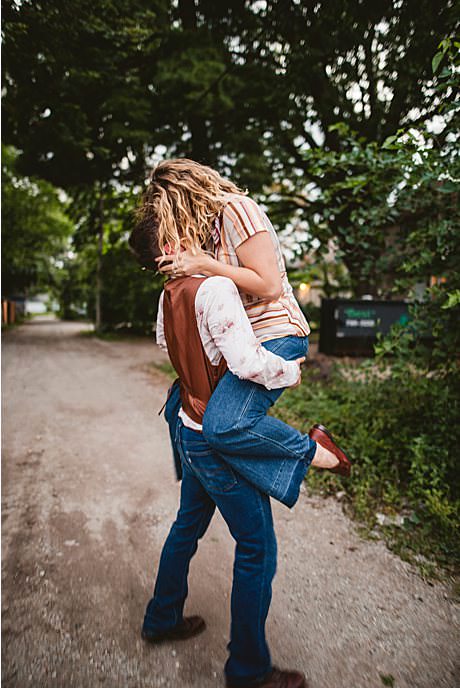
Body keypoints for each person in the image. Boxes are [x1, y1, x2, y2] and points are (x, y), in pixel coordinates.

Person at [129, 215, 350, 688]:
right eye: (179, 226)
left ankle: (161, 618)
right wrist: (289, 371)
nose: (192, 229)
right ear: (169, 245)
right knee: (256, 548)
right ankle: (248, 670)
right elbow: (247, 363)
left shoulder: (168, 295)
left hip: (187, 427)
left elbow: (165, 342)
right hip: (213, 443)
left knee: (186, 526)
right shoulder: (214, 288)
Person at [143, 159, 339, 502]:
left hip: (277, 332)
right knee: (185, 413)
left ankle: (315, 452)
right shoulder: (206, 233)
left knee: (222, 426)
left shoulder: (238, 210)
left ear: (185, 197)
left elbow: (269, 285)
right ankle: (225, 490)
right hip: (245, 342)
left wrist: (205, 264)